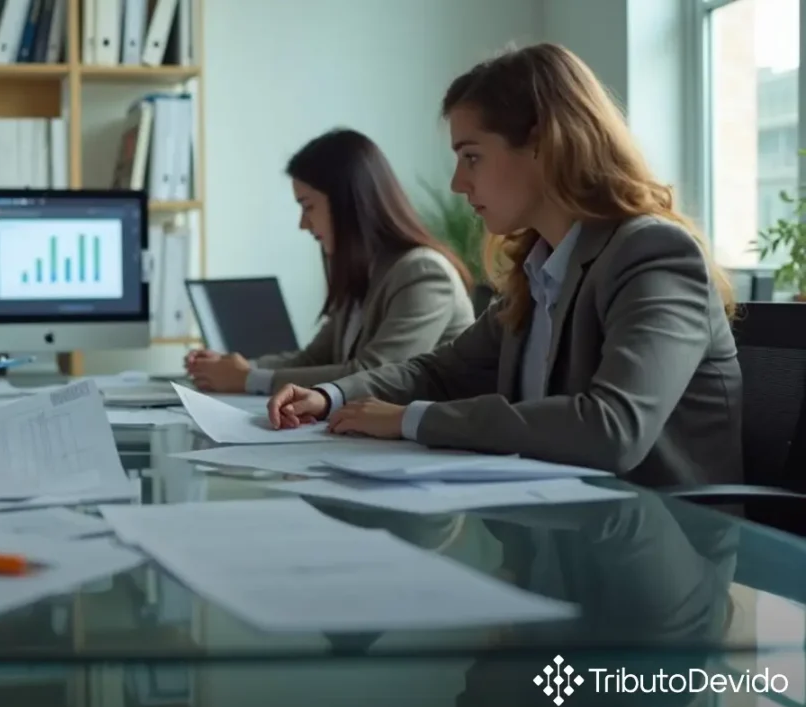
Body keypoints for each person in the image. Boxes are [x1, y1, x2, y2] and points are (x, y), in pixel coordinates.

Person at [266, 43, 744, 490]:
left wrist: (412, 419)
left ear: (543, 143)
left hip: (660, 548)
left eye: (471, 157)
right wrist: (331, 396)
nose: (457, 183)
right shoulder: (538, 271)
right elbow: (440, 373)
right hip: (554, 529)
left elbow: (612, 428)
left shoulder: (652, 254)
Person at [184, 128, 476, 395]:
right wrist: (231, 368)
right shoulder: (366, 273)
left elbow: (375, 373)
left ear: (348, 202)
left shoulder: (423, 273)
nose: (303, 224)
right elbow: (311, 359)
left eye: (308, 207)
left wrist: (248, 378)